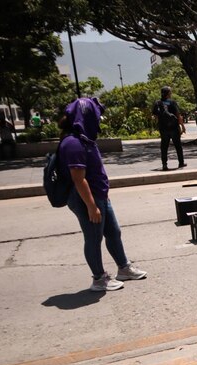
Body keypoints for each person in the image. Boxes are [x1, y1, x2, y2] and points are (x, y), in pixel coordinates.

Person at [58, 98, 147, 291]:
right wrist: (91, 206)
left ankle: (124, 268)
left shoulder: (85, 139)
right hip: (86, 198)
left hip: (100, 195)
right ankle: (98, 278)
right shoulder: (73, 143)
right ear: (87, 116)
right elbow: (78, 179)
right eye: (96, 116)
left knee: (113, 232)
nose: (98, 120)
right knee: (93, 237)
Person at [152, 86, 186, 171]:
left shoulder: (157, 103)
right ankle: (181, 163)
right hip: (174, 128)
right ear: (168, 94)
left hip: (163, 129)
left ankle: (164, 164)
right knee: (178, 146)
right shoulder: (172, 102)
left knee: (164, 147)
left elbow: (155, 116)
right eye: (170, 92)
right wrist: (182, 126)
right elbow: (178, 115)